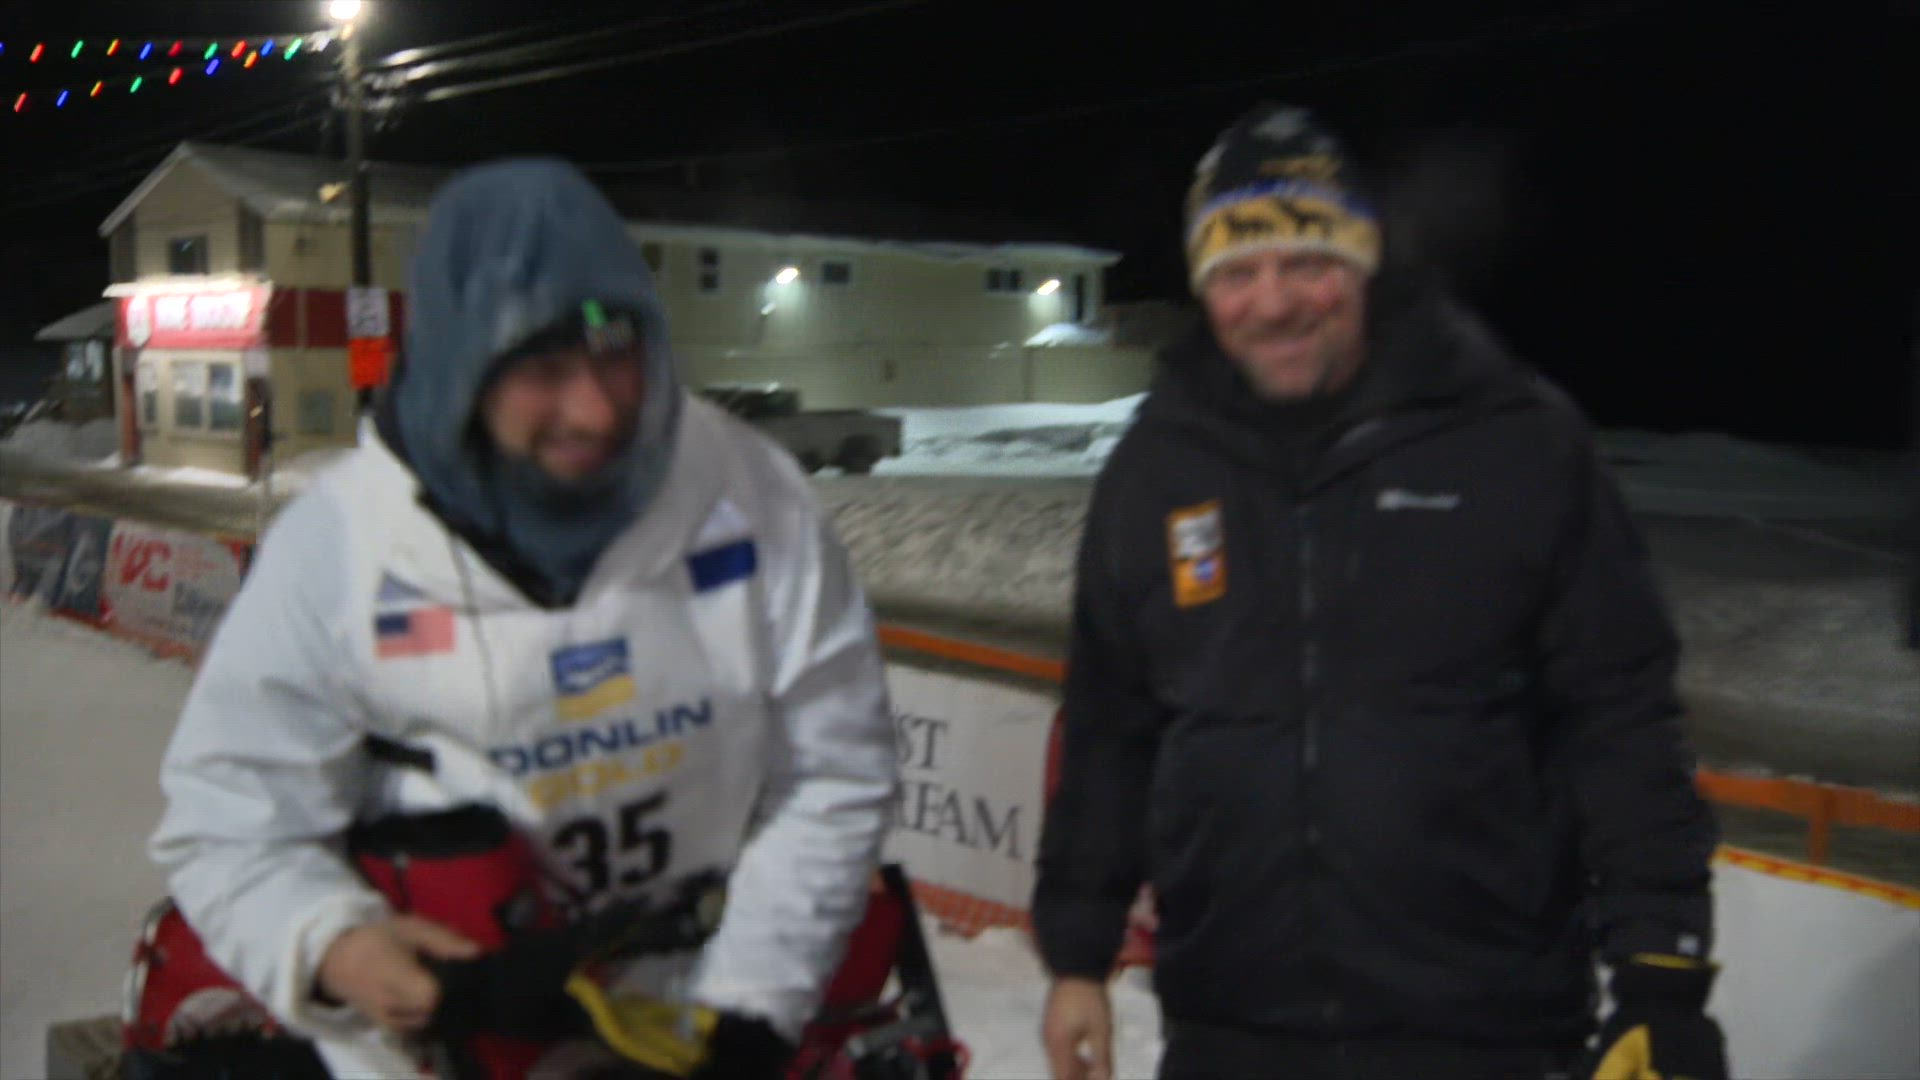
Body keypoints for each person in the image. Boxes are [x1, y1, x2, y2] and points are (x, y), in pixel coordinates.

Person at [148, 159, 900, 1078]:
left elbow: (832, 767)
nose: (596, 408)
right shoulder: (340, 547)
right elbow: (230, 821)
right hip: (438, 1047)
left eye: (617, 352)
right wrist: (335, 943)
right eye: (542, 366)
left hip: (692, 1026)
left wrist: (749, 1010)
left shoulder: (748, 495)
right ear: (461, 365)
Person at [1032, 105, 1727, 1080]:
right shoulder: (1158, 467)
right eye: (1235, 272)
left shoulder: (1515, 440)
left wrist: (1660, 975)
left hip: (1484, 1033)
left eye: (1305, 262)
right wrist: (1077, 953)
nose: (1273, 302)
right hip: (1231, 1029)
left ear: (1363, 262)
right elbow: (1112, 728)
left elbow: (1620, 715)